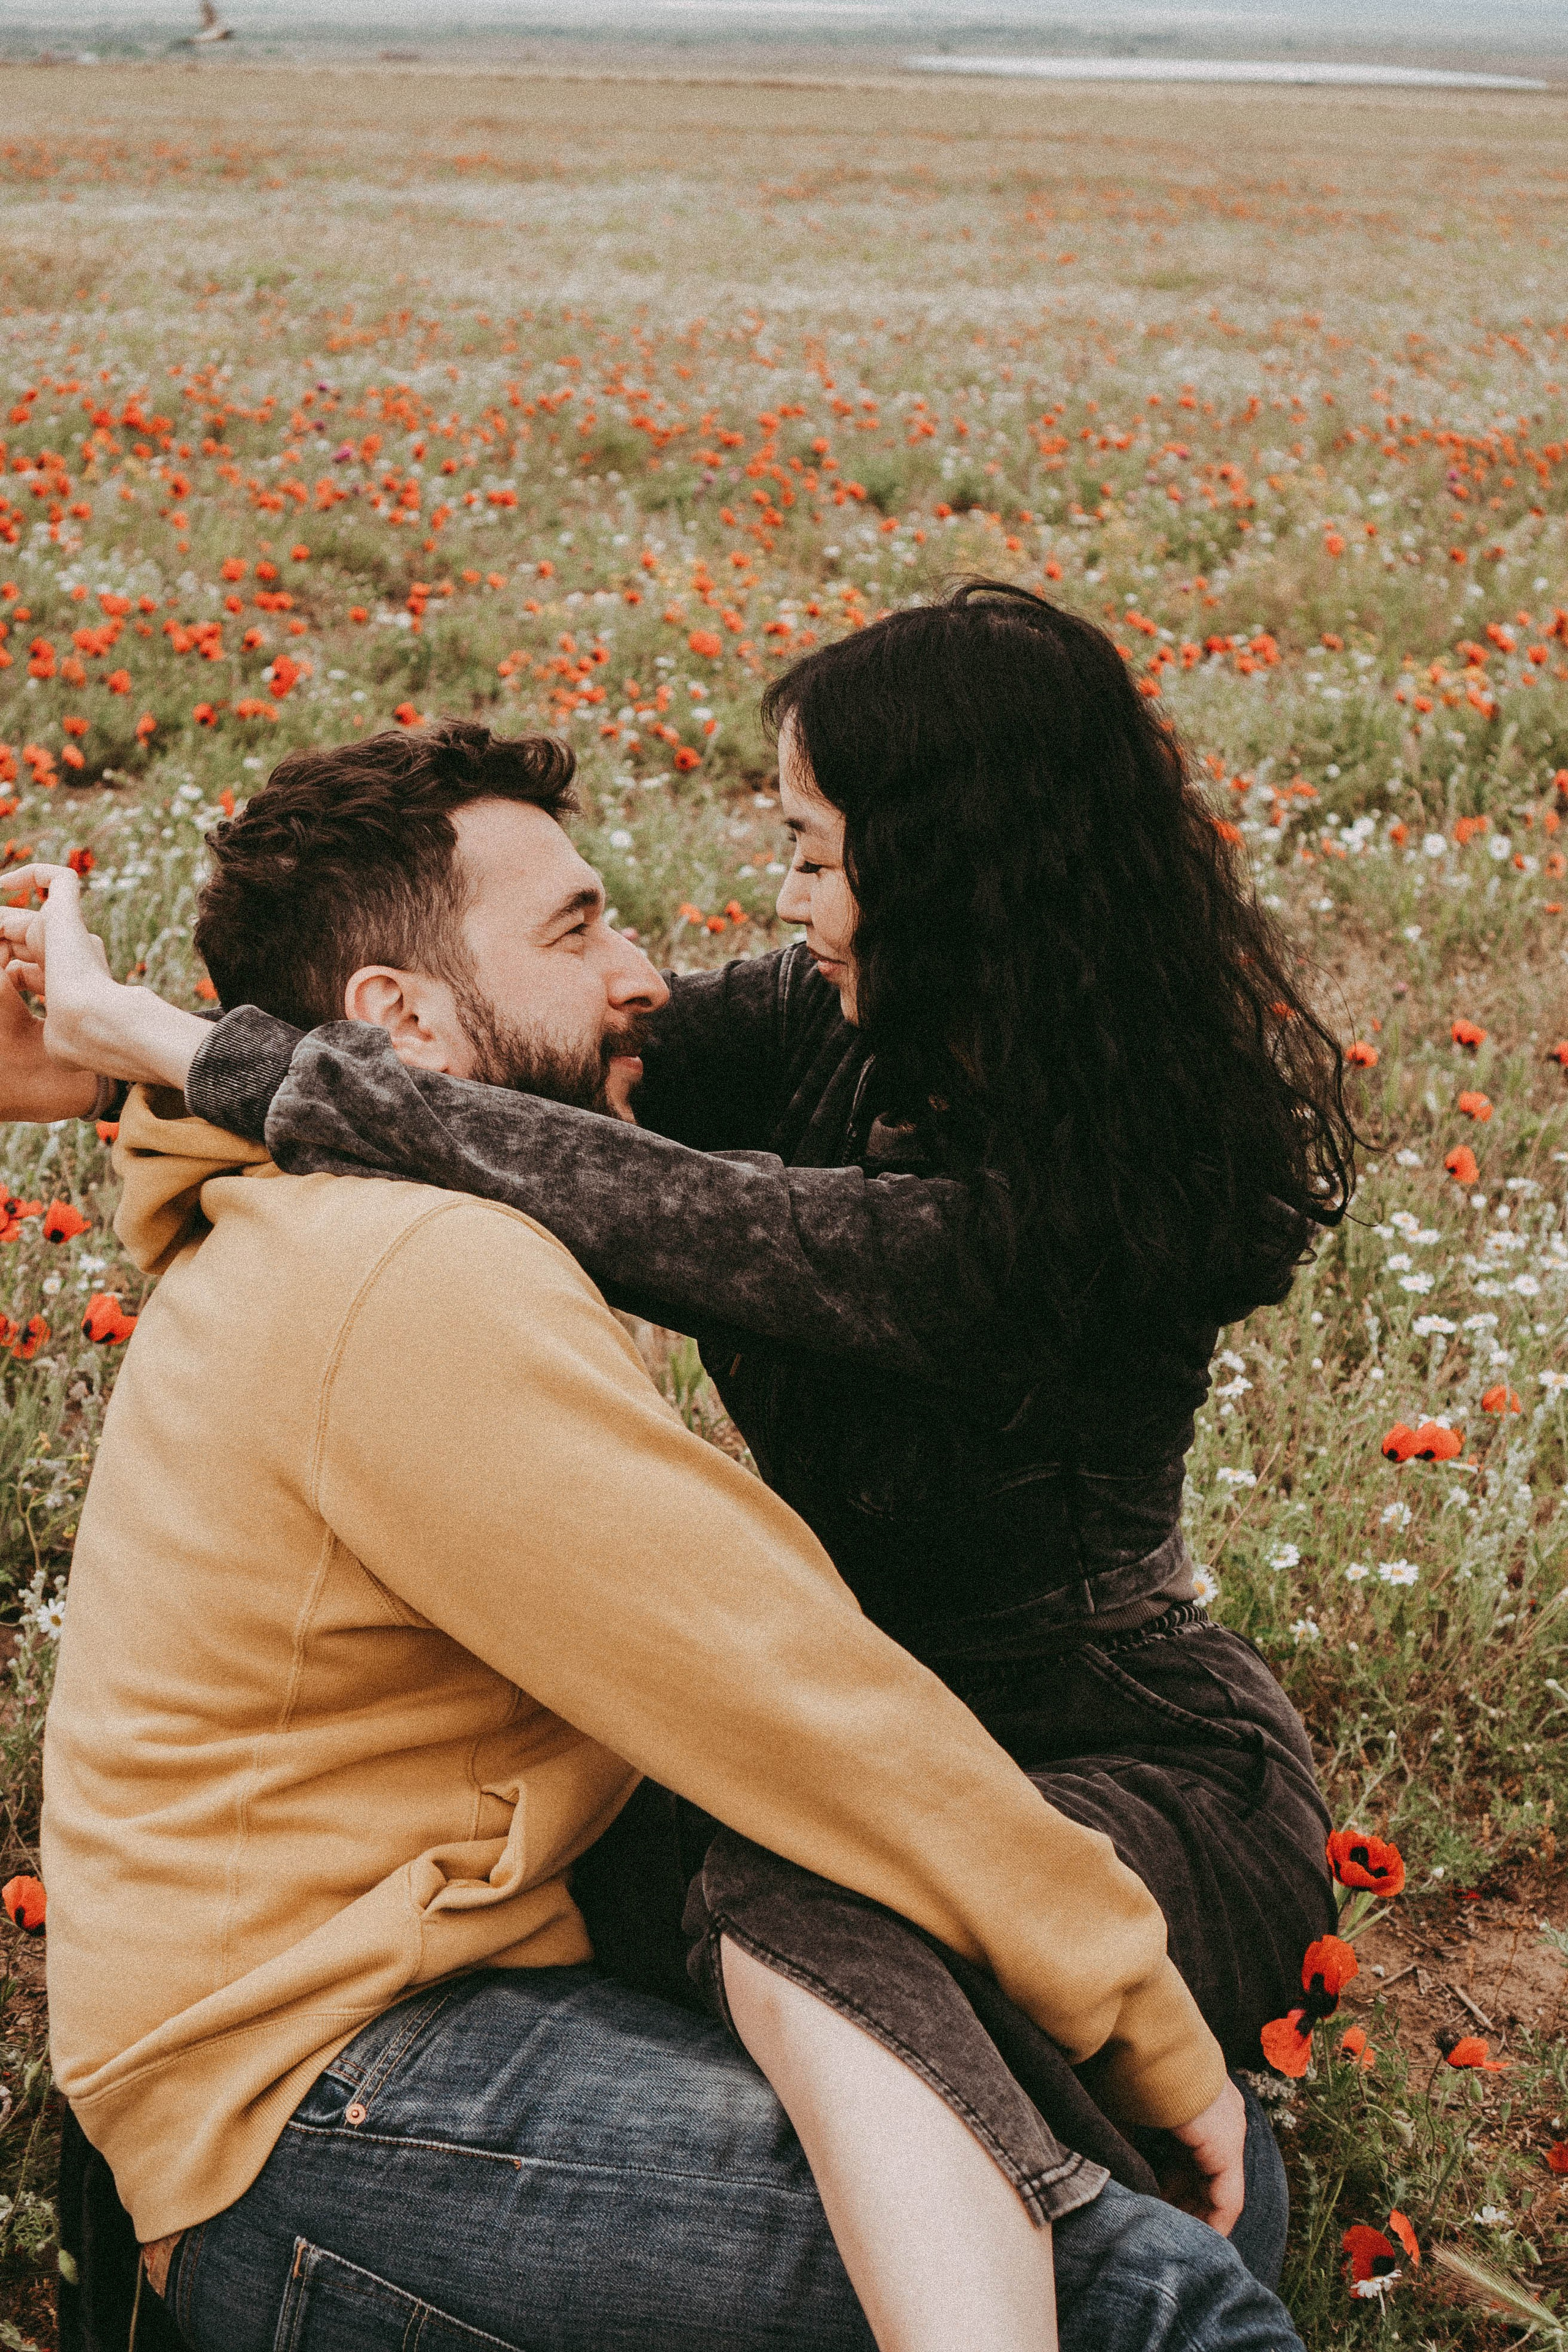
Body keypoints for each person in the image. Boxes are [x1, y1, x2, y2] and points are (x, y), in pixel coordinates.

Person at [1, 720, 1306, 2352]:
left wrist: (134, 1054)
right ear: (394, 1022)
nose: (644, 978)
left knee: (1139, 2176)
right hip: (305, 2105)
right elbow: (782, 1686)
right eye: (577, 930)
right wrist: (1132, 2002)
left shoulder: (349, 1215)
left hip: (410, 2003)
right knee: (1135, 2286)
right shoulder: (401, 1273)